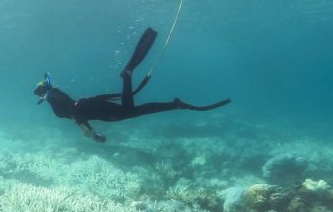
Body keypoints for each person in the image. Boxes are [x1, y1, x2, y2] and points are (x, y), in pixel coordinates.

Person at [34, 27, 230, 143]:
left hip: (96, 109)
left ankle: (128, 77)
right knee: (135, 110)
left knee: (130, 111)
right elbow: (73, 113)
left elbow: (77, 121)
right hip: (92, 104)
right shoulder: (55, 96)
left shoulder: (55, 100)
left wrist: (94, 136)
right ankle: (174, 104)